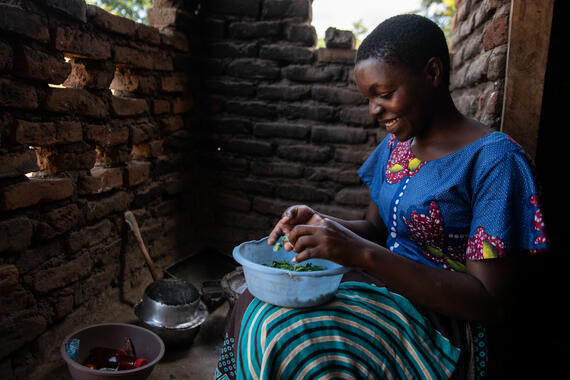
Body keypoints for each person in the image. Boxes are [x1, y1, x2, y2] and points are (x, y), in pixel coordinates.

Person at [214, 14, 549, 380]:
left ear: (433, 73)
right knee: (253, 302)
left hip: (444, 322)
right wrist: (323, 223)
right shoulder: (397, 146)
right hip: (384, 286)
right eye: (368, 98)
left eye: (385, 94)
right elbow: (376, 227)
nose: (374, 110)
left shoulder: (495, 161)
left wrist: (362, 254)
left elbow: (488, 301)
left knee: (291, 338)